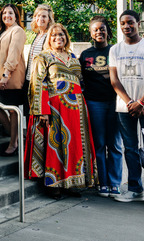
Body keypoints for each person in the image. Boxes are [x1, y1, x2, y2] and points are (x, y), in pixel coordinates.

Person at [25, 23, 97, 199]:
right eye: (54, 35)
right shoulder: (43, 57)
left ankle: (71, 183)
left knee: (74, 146)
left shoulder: (73, 56)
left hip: (77, 110)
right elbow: (37, 83)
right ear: (49, 38)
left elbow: (80, 80)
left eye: (62, 35)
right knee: (56, 145)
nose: (58, 38)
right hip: (55, 109)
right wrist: (42, 111)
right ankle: (54, 185)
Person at [109, 10, 144, 208]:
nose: (127, 26)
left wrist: (141, 102)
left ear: (138, 23)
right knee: (130, 149)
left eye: (130, 22)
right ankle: (135, 189)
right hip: (125, 109)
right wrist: (130, 102)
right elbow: (114, 80)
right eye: (123, 23)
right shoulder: (115, 50)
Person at [80, 16, 123, 198]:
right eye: (95, 29)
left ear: (108, 31)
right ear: (91, 33)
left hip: (115, 103)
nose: (99, 32)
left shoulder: (116, 51)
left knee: (114, 144)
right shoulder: (85, 55)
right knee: (98, 144)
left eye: (102, 29)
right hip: (94, 103)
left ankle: (115, 183)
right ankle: (102, 182)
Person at [0, 4, 26, 155]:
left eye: (11, 13)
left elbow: (14, 54)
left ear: (16, 16)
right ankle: (14, 134)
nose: (7, 15)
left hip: (9, 76)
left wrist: (6, 74)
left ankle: (13, 143)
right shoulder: (2, 31)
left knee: (12, 110)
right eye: (4, 13)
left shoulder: (18, 31)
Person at [24, 5, 54, 110]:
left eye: (44, 16)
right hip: (30, 80)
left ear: (49, 19)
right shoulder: (37, 35)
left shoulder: (50, 36)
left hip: (41, 82)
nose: (40, 19)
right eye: (38, 16)